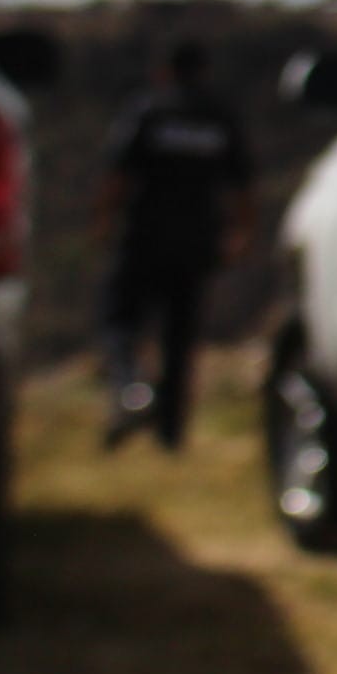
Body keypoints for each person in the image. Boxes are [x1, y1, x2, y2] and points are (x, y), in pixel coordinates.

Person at [99, 39, 254, 451]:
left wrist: (104, 222)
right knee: (180, 338)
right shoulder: (219, 118)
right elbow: (241, 185)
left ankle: (131, 389)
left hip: (143, 237)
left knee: (119, 321)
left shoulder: (149, 111)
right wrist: (240, 233)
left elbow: (118, 173)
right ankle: (171, 434)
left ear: (165, 72)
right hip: (197, 241)